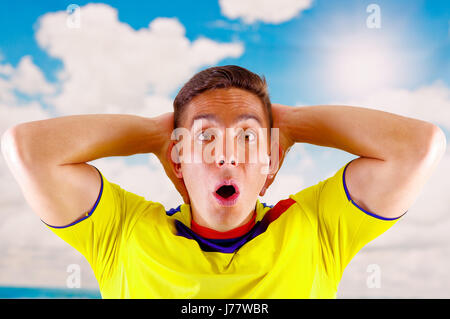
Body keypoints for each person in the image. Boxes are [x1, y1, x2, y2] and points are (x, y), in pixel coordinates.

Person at [1, 65, 446, 298]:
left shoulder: (316, 227)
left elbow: (419, 146)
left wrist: (287, 123)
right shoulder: (123, 232)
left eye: (248, 138)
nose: (227, 152)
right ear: (178, 161)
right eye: (207, 137)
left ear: (272, 162)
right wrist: (157, 134)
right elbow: (27, 148)